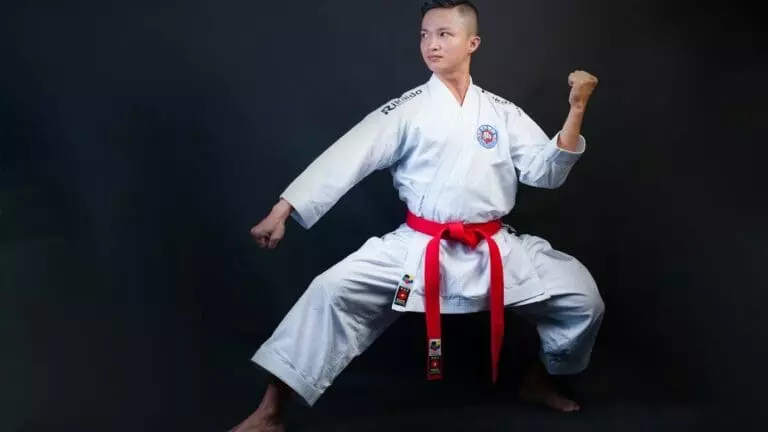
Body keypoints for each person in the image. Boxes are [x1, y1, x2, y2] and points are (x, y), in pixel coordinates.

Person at [235, 0, 603, 430]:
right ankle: (270, 411)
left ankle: (538, 381)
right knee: (329, 291)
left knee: (582, 299)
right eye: (424, 35)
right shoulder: (406, 109)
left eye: (444, 34)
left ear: (472, 43)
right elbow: (348, 157)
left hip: (491, 248)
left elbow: (545, 172)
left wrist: (576, 110)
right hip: (420, 247)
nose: (431, 44)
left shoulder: (502, 113)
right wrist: (284, 209)